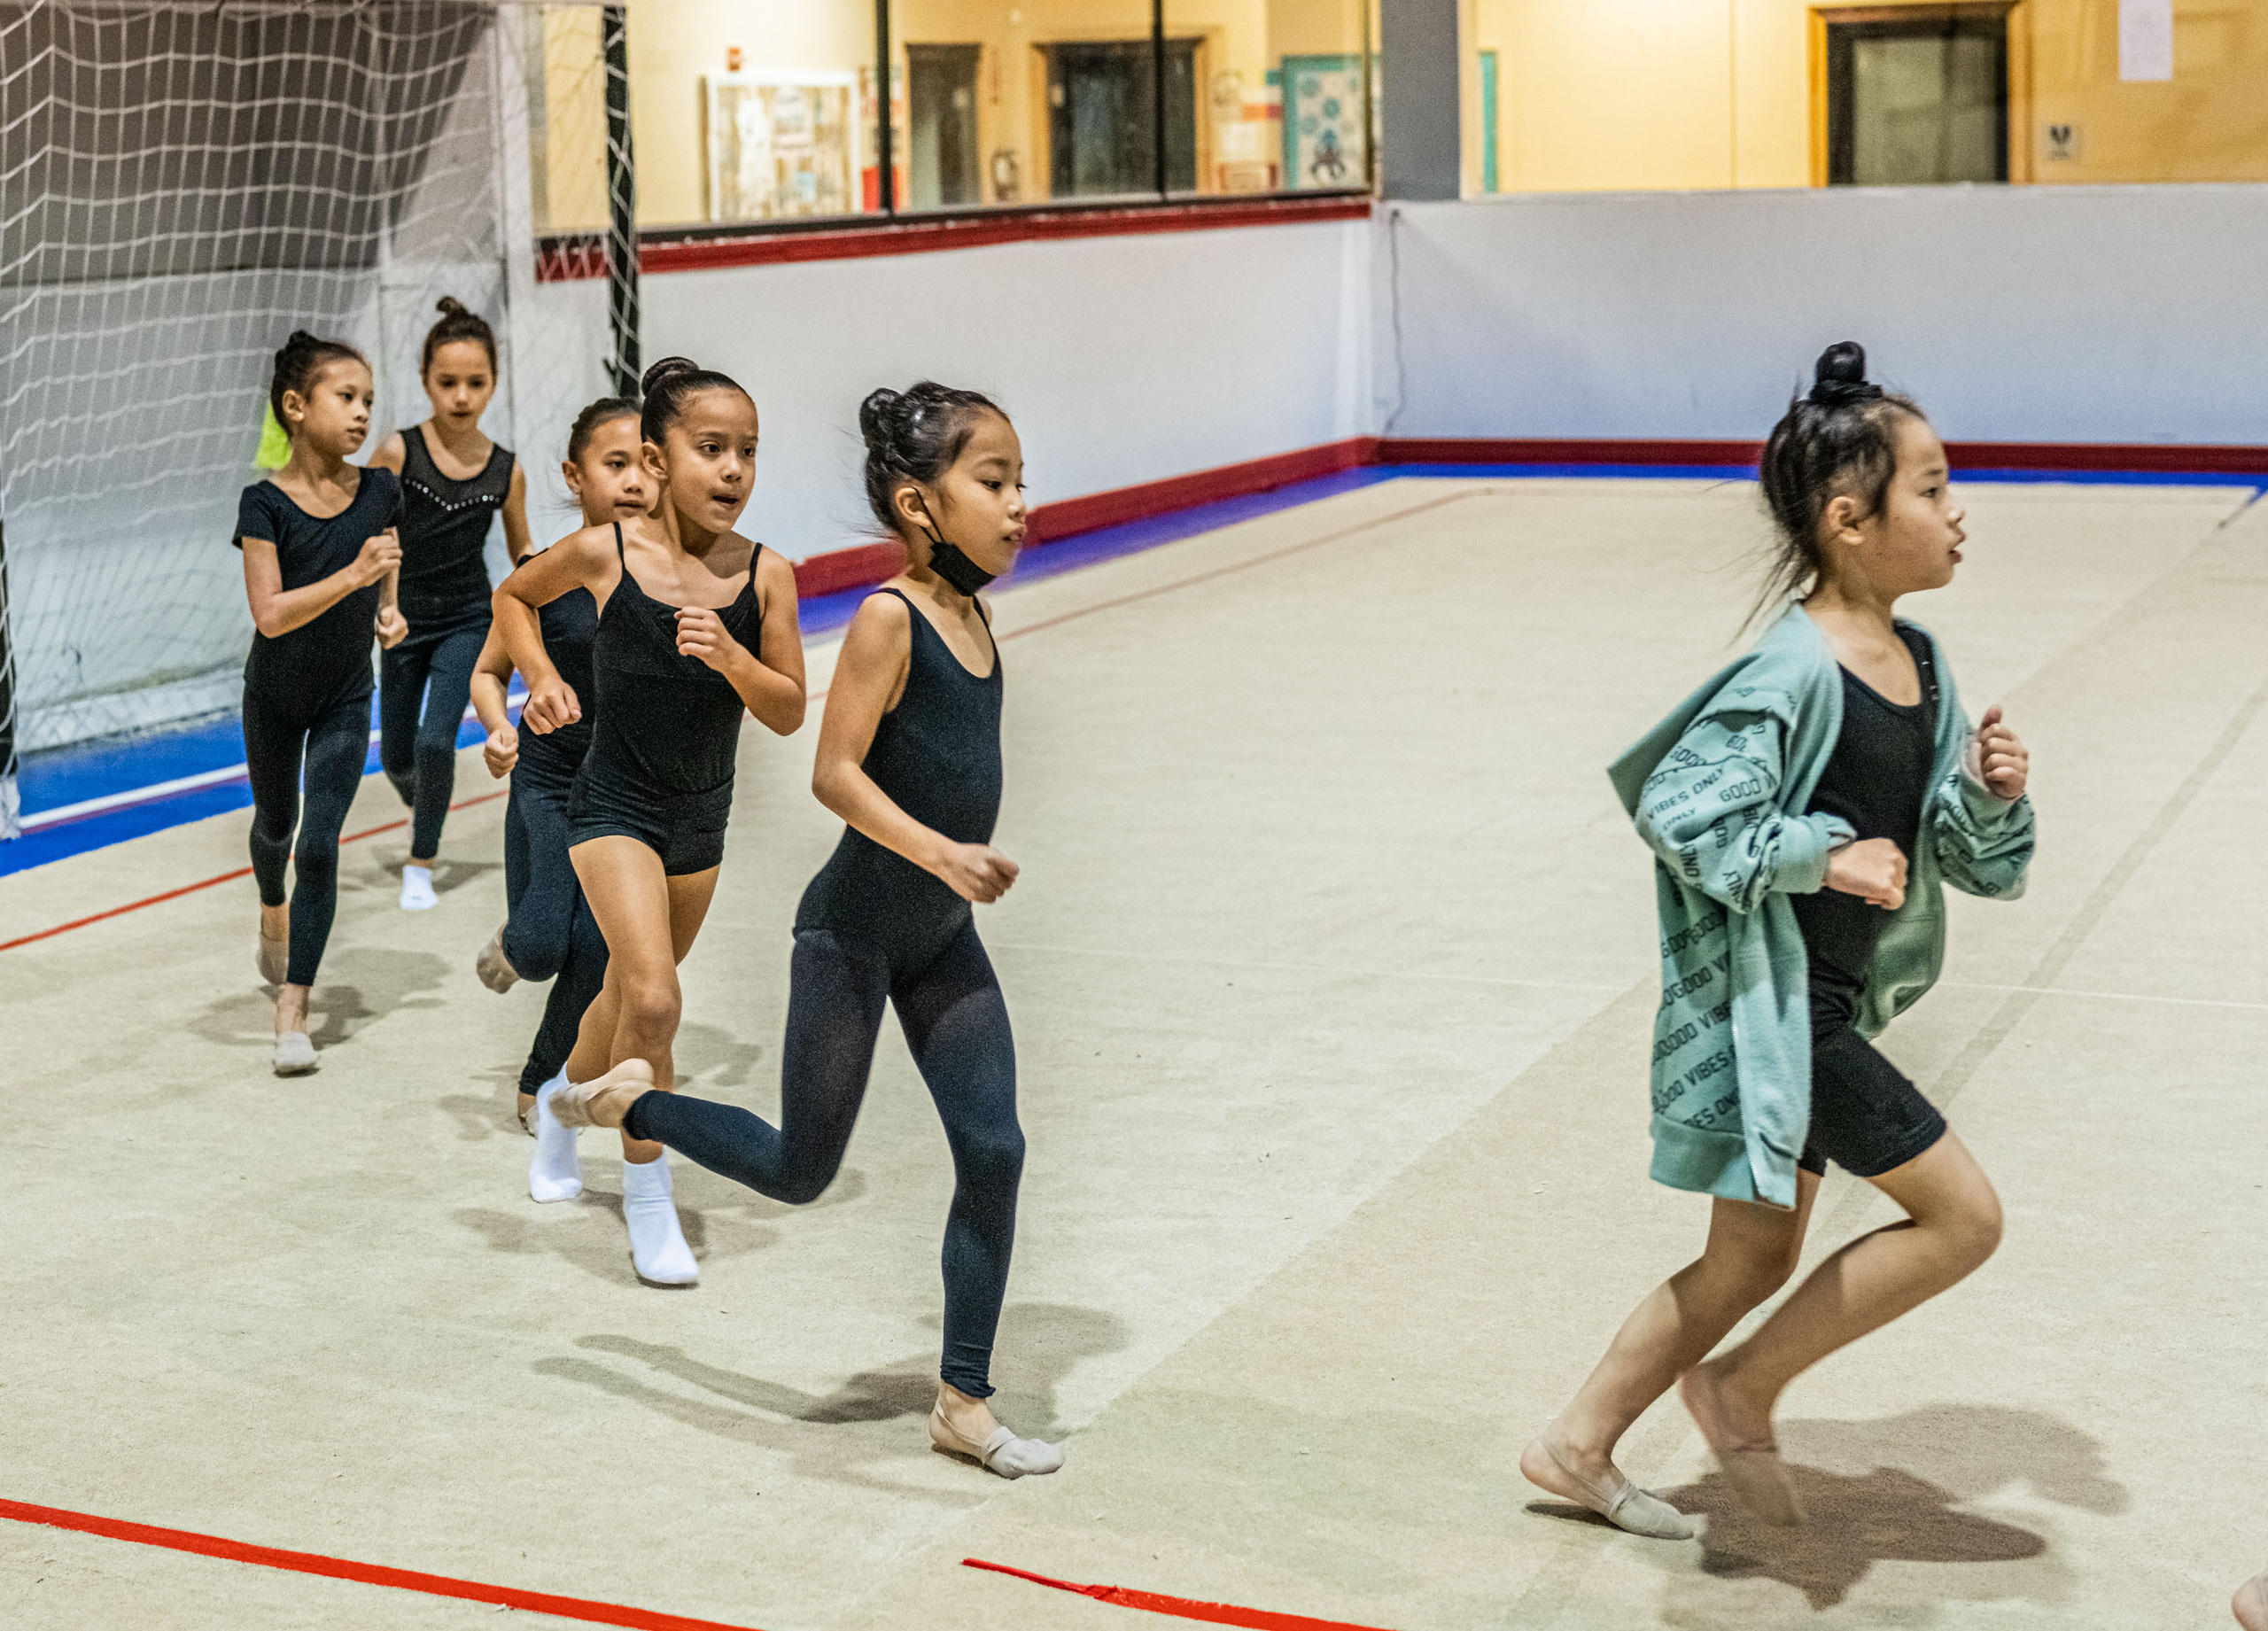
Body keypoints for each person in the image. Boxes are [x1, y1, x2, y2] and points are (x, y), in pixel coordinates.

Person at [1519, 343, 2036, 1535]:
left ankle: (1578, 1442)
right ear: (1850, 521)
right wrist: (1822, 853)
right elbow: (1682, 810)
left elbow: (1955, 851)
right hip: (1785, 1019)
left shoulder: (1918, 660)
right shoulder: (1792, 669)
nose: (1960, 514)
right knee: (1965, 1217)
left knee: (1747, 1261)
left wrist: (1994, 796)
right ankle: (1741, 1385)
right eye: (1933, 488)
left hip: (1832, 1006)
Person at [549, 383, 1061, 1479]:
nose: (1020, 504)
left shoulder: (976, 614)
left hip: (938, 936)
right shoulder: (891, 616)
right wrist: (943, 852)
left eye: (1019, 480)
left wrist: (947, 875)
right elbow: (832, 771)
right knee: (797, 1169)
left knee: (996, 1147)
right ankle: (635, 1100)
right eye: (995, 481)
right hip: (853, 932)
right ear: (921, 504)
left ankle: (963, 1400)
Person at [493, 357, 805, 1285]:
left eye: (748, 451)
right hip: (611, 806)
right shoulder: (607, 553)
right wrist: (541, 678)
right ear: (659, 460)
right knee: (659, 999)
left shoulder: (767, 576)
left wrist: (734, 662)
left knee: (625, 1002)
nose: (735, 469)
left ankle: (558, 1103)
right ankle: (649, 1198)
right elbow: (514, 597)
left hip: (700, 818)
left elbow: (788, 708)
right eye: (711, 448)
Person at [466, 397, 646, 1133]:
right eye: (616, 464)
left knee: (599, 946)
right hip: (547, 781)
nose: (635, 480)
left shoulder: (669, 582)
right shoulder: (541, 575)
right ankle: (512, 946)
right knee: (541, 945)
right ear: (575, 475)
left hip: (624, 795)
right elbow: (486, 673)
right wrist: (499, 728)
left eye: (648, 465)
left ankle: (540, 1082)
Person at [234, 331, 408, 1075]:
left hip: (345, 693)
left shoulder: (380, 489)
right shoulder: (262, 503)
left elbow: (387, 553)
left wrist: (388, 607)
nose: (363, 412)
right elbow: (269, 614)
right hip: (274, 696)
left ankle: (294, 1005)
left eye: (369, 399)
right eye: (347, 397)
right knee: (277, 828)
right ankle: (272, 901)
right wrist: (353, 576)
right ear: (296, 406)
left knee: (322, 843)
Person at [368, 298, 533, 911]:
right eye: (447, 383)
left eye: (476, 382)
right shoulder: (396, 452)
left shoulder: (506, 470)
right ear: (424, 381)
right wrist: (382, 606)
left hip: (468, 616)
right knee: (396, 756)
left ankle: (421, 859)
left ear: (493, 382)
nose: (462, 396)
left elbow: (522, 552)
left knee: (437, 742)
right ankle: (425, 801)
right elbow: (372, 535)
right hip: (402, 618)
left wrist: (548, 600)